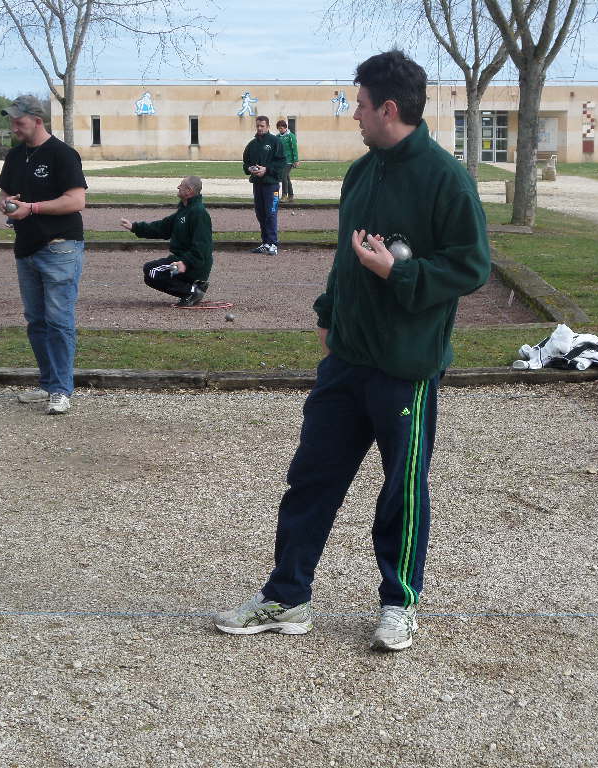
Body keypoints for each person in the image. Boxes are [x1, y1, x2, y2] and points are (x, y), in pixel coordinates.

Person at [215, 50, 491, 652]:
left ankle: (399, 603)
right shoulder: (360, 173)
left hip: (405, 365)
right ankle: (287, 597)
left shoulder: (445, 179)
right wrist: (327, 314)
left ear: (388, 108)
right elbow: (346, 257)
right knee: (311, 478)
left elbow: (472, 266)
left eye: (360, 105)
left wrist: (400, 272)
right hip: (346, 360)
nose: (355, 114)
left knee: (401, 491)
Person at [0, 94, 87, 416]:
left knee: (59, 321)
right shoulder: (15, 155)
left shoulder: (62, 154)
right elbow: (4, 192)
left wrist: (31, 208)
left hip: (60, 247)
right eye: (12, 122)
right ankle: (48, 383)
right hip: (26, 247)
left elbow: (76, 201)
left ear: (37, 121)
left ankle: (61, 390)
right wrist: (6, 203)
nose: (14, 128)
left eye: (19, 122)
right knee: (36, 321)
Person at [119, 176, 213, 308]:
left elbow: (203, 246)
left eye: (181, 185)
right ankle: (191, 290)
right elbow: (161, 228)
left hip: (193, 267)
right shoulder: (184, 211)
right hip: (181, 261)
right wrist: (135, 227)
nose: (178, 187)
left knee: (151, 270)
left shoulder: (198, 213)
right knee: (150, 276)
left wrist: (186, 263)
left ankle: (192, 291)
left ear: (189, 191)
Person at [242, 115, 285, 255]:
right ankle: (265, 242)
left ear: (268, 127)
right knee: (260, 213)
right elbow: (245, 163)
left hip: (271, 185)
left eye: (262, 126)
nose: (260, 128)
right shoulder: (252, 144)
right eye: (258, 126)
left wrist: (266, 170)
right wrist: (250, 169)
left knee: (271, 213)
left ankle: (273, 243)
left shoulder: (275, 142)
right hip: (257, 184)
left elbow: (281, 163)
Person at [276, 119, 299, 202]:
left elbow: (294, 148)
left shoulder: (291, 136)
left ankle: (284, 195)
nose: (280, 130)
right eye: (279, 128)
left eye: (281, 128)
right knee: (287, 178)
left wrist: (296, 160)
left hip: (289, 160)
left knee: (283, 176)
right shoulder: (277, 137)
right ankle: (291, 196)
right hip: (281, 161)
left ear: (285, 128)